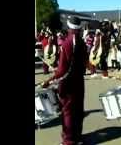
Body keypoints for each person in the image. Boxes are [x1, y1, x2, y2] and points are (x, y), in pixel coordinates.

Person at [42, 16, 87, 145]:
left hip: (68, 83)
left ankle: (68, 141)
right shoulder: (81, 42)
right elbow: (84, 62)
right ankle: (77, 137)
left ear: (68, 27)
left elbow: (62, 70)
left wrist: (49, 80)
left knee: (67, 112)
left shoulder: (67, 43)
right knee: (78, 110)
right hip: (79, 81)